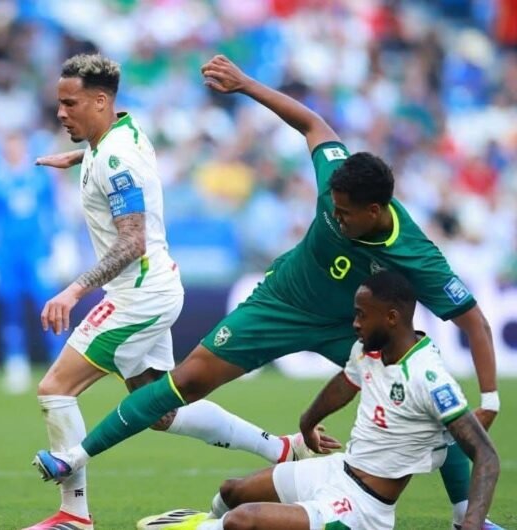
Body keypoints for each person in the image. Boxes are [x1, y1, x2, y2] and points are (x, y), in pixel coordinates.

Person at [34, 55, 502, 530]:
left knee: (429, 404)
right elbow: (312, 124)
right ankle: (260, 456)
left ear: (376, 211)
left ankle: (467, 517)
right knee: (187, 381)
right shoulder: (337, 180)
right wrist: (245, 85)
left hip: (346, 326)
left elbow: (474, 321)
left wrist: (489, 400)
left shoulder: (415, 252)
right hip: (279, 304)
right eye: (333, 208)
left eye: (345, 214)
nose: (335, 217)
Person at [23, 53, 325, 530]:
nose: (61, 113)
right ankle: (282, 448)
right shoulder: (122, 133)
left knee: (55, 388)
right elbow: (117, 158)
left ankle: (73, 515)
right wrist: (81, 158)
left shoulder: (115, 158)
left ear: (100, 102)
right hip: (155, 286)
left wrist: (73, 291)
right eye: (59, 103)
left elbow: (133, 241)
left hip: (137, 296)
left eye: (70, 104)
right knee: (159, 408)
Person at [137, 272, 500, 530]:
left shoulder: (428, 378)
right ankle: (205, 521)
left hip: (362, 508)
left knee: (242, 521)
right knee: (232, 491)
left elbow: (486, 456)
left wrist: (471, 523)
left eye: (361, 315)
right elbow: (344, 383)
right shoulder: (369, 349)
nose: (354, 323)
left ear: (392, 317)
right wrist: (307, 423)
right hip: (338, 470)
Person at [0, 131, 67, 393]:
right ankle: (15, 362)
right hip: (6, 253)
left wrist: (60, 243)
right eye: (10, 146)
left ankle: (61, 362)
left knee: (48, 303)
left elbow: (53, 210)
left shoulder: (40, 177)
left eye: (18, 146)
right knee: (10, 306)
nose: (14, 151)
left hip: (37, 251)